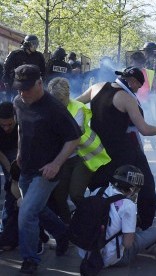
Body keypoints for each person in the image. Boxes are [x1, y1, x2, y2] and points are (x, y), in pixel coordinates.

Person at [76, 66, 156, 230]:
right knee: (147, 186)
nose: (138, 90)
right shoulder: (126, 98)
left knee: (100, 188)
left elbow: (75, 103)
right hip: (123, 151)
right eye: (138, 86)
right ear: (133, 82)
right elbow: (144, 129)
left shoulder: (97, 87)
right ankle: (144, 226)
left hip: (98, 151)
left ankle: (100, 223)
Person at [12, 64, 81, 274]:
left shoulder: (55, 109)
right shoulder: (18, 102)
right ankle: (63, 234)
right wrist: (19, 151)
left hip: (47, 171)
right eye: (19, 88)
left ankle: (30, 259)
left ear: (40, 83)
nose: (23, 93)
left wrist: (56, 163)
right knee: (37, 208)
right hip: (27, 167)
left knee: (27, 212)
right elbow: (20, 128)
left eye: (27, 88)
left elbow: (74, 138)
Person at [78, 165, 156, 269]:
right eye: (137, 189)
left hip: (85, 254)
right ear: (132, 189)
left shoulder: (98, 191)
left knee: (129, 229)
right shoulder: (128, 205)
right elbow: (127, 244)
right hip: (111, 259)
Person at [48, 77, 111, 223]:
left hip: (82, 157)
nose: (59, 103)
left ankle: (91, 222)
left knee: (76, 194)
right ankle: (68, 228)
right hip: (62, 160)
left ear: (67, 96)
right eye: (55, 99)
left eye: (61, 100)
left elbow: (71, 135)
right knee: (59, 197)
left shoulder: (77, 108)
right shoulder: (49, 108)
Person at [3, 35, 46, 102]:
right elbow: (6, 70)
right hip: (18, 86)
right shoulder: (15, 54)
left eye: (37, 43)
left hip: (33, 87)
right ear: (27, 44)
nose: (36, 45)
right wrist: (8, 84)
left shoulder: (39, 56)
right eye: (33, 43)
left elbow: (43, 72)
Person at [0, 102, 18, 230]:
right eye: (2, 125)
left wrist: (14, 173)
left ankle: (6, 227)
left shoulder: (23, 121)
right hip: (2, 151)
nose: (6, 128)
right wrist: (10, 171)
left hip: (15, 150)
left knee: (12, 186)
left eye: (9, 124)